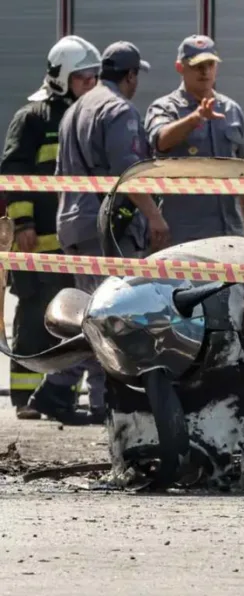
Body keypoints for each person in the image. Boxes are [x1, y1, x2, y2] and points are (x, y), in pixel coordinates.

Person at [54, 41, 170, 418]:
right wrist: (154, 216)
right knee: (113, 318)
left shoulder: (74, 109)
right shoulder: (119, 110)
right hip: (106, 230)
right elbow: (127, 171)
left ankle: (64, 391)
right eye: (137, 76)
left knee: (90, 315)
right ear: (130, 75)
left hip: (73, 224)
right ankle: (97, 398)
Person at [0, 35, 102, 424]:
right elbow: (13, 172)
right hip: (36, 242)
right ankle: (25, 396)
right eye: (82, 77)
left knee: (71, 319)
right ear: (61, 78)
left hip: (71, 244)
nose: (89, 84)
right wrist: (23, 222)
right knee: (32, 317)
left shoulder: (87, 116)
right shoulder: (33, 117)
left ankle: (61, 395)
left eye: (93, 77)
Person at [144, 34, 244, 245]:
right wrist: (195, 118)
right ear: (180, 67)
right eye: (197, 66)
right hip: (185, 236)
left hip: (230, 232)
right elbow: (160, 141)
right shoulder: (165, 108)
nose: (205, 72)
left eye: (210, 65)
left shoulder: (231, 110)